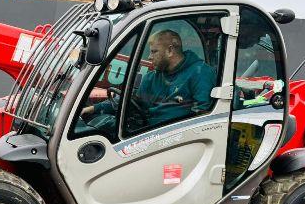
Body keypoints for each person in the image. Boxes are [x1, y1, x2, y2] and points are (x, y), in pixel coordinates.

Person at [81, 29, 215, 133]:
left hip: (174, 137)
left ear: (170, 50)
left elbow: (203, 116)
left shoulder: (200, 72)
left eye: (154, 52)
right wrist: (94, 108)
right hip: (148, 130)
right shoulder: (152, 77)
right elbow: (132, 100)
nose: (149, 57)